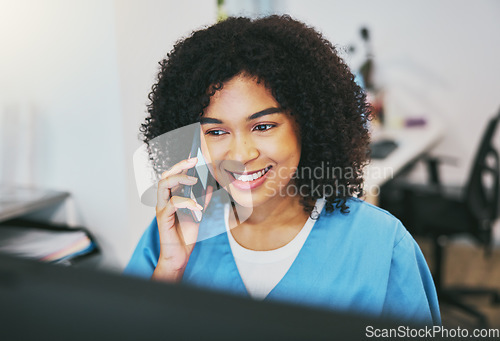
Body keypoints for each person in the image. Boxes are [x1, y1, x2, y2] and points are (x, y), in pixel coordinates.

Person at [124, 15, 440, 326]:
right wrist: (170, 269)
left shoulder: (381, 244)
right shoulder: (172, 234)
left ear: (307, 124)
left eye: (263, 126)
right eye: (216, 132)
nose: (241, 155)